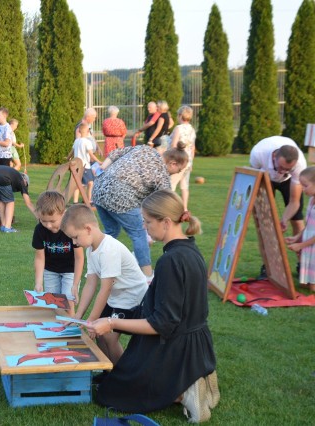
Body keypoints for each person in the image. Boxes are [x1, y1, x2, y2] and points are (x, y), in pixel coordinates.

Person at [84, 190, 219, 423]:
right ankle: (189, 378)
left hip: (174, 347)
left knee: (110, 394)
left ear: (166, 222)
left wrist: (111, 322)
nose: (145, 227)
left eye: (147, 221)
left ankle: (183, 390)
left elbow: (162, 324)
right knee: (110, 381)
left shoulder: (170, 260)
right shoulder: (190, 249)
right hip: (194, 343)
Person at [60, 204, 147, 363]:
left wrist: (91, 321)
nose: (74, 243)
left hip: (132, 298)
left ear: (88, 229)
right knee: (99, 333)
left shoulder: (108, 249)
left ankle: (121, 375)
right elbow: (90, 284)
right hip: (117, 296)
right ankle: (107, 370)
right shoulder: (91, 249)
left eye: (75, 237)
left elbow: (105, 289)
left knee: (108, 336)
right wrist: (79, 316)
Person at [91, 144, 188, 280]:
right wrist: (181, 213)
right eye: (179, 169)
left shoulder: (145, 148)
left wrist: (103, 167)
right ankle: (147, 275)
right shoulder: (162, 176)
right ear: (172, 163)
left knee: (111, 231)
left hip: (99, 189)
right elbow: (168, 200)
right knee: (138, 234)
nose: (178, 173)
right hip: (120, 196)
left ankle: (94, 264)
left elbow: (116, 152)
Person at [33, 191, 84, 316]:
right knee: (53, 303)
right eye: (44, 221)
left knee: (68, 302)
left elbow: (79, 258)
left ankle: (70, 329)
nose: (48, 225)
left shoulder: (71, 228)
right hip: (50, 271)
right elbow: (40, 258)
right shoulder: (39, 230)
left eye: (52, 221)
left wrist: (75, 284)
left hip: (70, 271)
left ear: (63, 214)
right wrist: (38, 282)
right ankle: (56, 330)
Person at [250, 136, 306, 235]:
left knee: (297, 220)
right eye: (281, 167)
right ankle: (268, 249)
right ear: (274, 156)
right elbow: (252, 179)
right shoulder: (258, 153)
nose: (283, 171)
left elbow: (294, 201)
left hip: (288, 180)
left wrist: (284, 219)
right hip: (265, 176)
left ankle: (302, 250)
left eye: (288, 169)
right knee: (265, 219)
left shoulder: (300, 165)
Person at [286, 166, 315, 292]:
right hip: (309, 242)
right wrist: (296, 237)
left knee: (313, 288)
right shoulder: (311, 200)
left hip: (312, 242)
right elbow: (309, 224)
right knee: (304, 285)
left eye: (305, 185)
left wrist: (301, 245)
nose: (302, 189)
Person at [0, 165, 35, 233]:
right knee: (10, 202)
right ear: (25, 181)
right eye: (26, 185)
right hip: (2, 177)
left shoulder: (14, 175)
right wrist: (39, 217)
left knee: (0, 199)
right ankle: (7, 227)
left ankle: (3, 225)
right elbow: (28, 203)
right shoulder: (22, 181)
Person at [169, 105, 197, 211]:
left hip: (178, 161)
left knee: (171, 184)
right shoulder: (192, 130)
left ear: (180, 115)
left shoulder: (178, 128)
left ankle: (170, 207)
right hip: (188, 161)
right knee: (185, 186)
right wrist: (191, 163)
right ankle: (185, 208)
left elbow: (174, 145)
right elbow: (193, 148)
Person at [69, 122, 102, 203]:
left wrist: (68, 158)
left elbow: (71, 152)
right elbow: (91, 154)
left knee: (78, 184)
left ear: (79, 132)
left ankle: (75, 202)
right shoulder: (87, 142)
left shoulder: (76, 141)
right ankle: (89, 200)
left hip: (77, 166)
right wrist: (99, 162)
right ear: (88, 132)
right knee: (90, 183)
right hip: (85, 166)